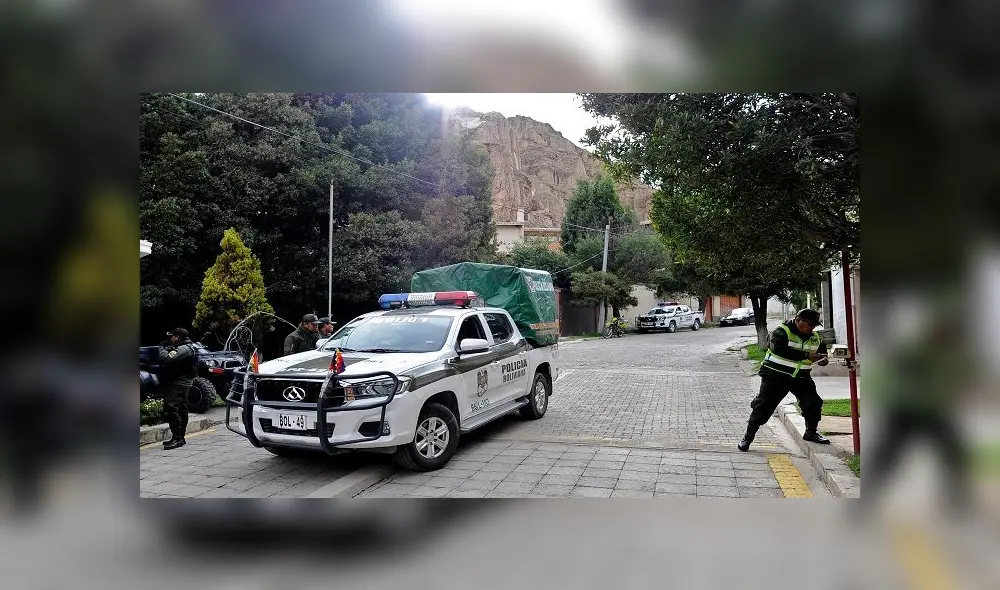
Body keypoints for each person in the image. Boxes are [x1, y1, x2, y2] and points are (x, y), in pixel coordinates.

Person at [738, 309, 831, 452]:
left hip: (801, 378)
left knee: (813, 403)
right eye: (810, 325)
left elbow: (823, 355)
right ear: (799, 320)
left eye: (814, 326)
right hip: (775, 377)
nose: (812, 328)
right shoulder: (781, 331)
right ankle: (747, 438)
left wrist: (823, 360)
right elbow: (779, 350)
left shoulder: (816, 338)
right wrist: (806, 355)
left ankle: (811, 433)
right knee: (762, 407)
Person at [159, 328, 198, 450]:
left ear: (179, 337)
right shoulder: (183, 347)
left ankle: (178, 438)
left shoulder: (185, 348)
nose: (171, 339)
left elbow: (168, 358)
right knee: (181, 408)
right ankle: (179, 437)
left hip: (180, 383)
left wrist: (161, 349)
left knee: (171, 408)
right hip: (179, 381)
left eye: (173, 337)